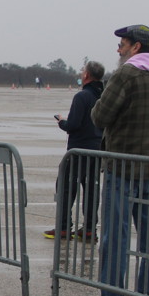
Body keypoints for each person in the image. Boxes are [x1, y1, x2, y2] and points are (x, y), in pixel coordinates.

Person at [81, 25, 149, 296]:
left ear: (136, 47)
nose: (119, 49)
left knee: (115, 235)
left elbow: (99, 116)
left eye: (122, 44)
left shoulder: (126, 74)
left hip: (122, 166)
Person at [43, 61, 104, 240]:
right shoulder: (104, 96)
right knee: (92, 190)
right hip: (97, 150)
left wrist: (62, 122)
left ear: (86, 75)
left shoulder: (82, 97)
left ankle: (63, 226)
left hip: (78, 150)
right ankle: (89, 229)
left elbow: (74, 125)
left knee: (65, 186)